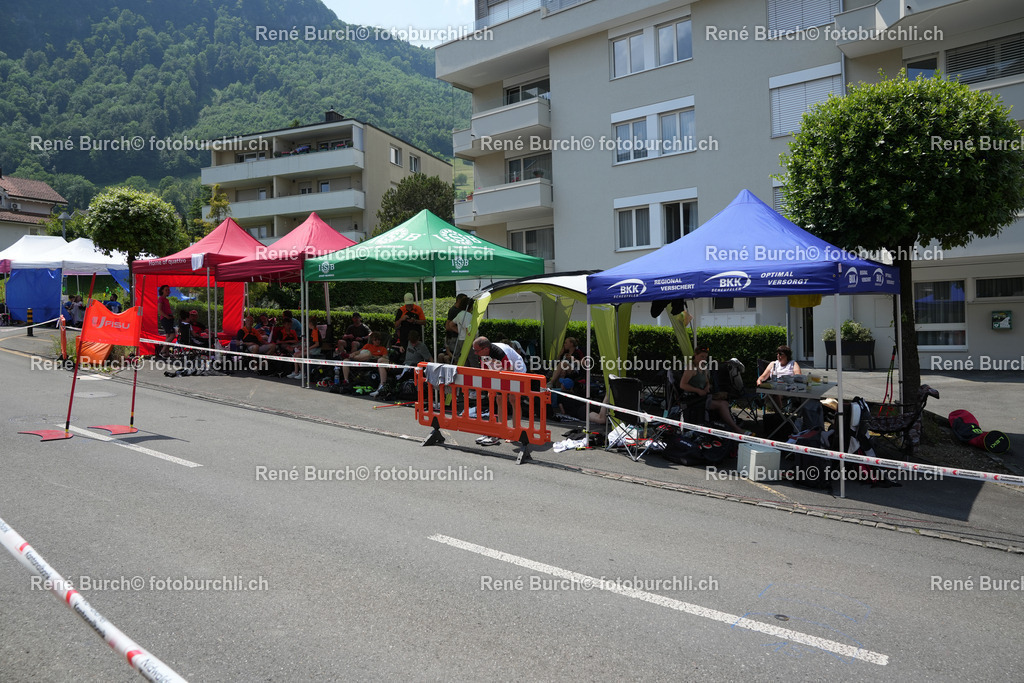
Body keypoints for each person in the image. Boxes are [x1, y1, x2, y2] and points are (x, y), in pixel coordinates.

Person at [679, 345, 747, 434]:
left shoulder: (703, 367)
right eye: (701, 356)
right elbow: (682, 385)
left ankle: (725, 427)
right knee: (722, 404)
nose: (703, 359)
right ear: (695, 355)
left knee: (725, 400)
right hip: (693, 399)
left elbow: (707, 381)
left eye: (705, 357)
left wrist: (707, 386)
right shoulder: (691, 368)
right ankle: (735, 428)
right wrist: (698, 390)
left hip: (703, 396)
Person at [447, 297, 473, 362]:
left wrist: (459, 331)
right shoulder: (468, 315)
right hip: (467, 340)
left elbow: (451, 324)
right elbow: (468, 330)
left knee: (464, 361)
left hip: (461, 340)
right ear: (470, 306)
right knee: (472, 360)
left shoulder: (460, 314)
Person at [157, 285, 175, 358]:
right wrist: (166, 316)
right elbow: (159, 310)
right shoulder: (161, 299)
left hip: (169, 318)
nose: (168, 291)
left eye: (168, 290)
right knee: (172, 335)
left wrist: (171, 316)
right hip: (165, 319)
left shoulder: (166, 299)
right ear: (162, 291)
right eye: (166, 290)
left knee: (168, 336)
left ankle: (166, 353)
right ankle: (162, 351)